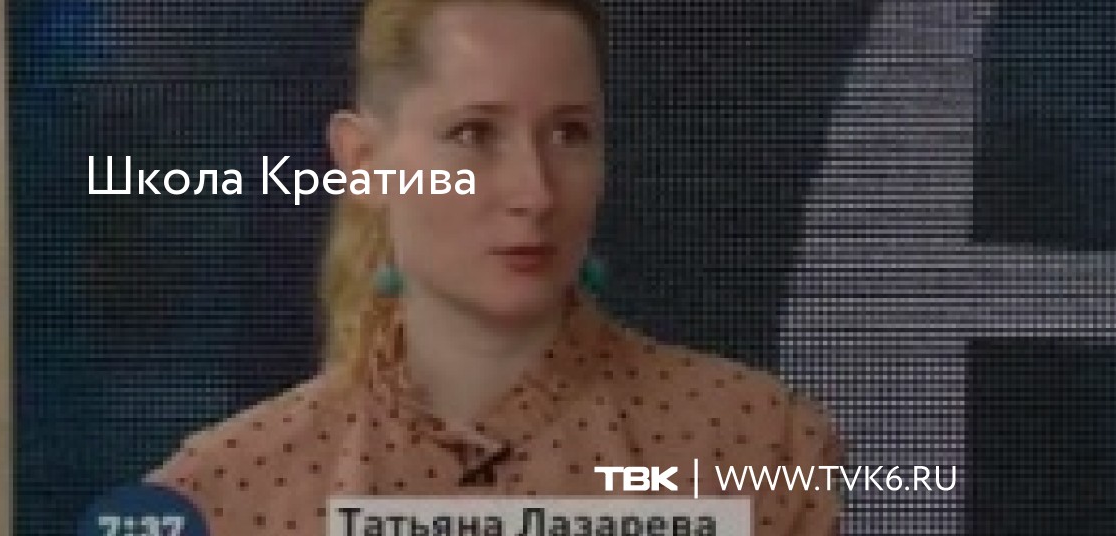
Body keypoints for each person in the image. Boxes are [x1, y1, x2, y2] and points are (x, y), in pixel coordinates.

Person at [147, 0, 844, 534]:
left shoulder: (760, 449)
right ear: (365, 163)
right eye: (474, 133)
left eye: (569, 133)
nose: (534, 193)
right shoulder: (219, 496)